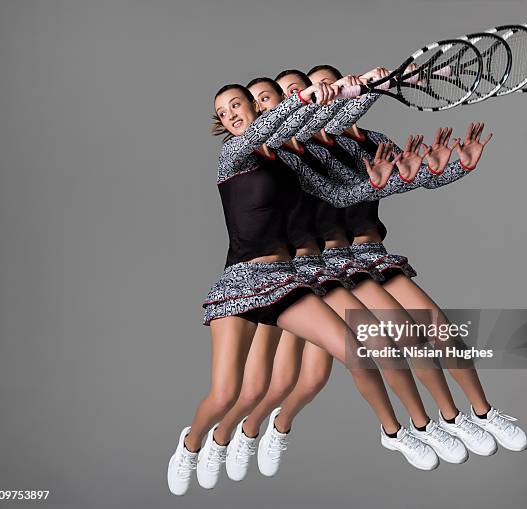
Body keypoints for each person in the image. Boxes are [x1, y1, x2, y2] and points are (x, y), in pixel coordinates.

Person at [167, 79, 444, 496]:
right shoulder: (233, 154)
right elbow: (273, 125)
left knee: (355, 349)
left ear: (255, 108)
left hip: (285, 279)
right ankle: (193, 445)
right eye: (223, 112)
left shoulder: (290, 162)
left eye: (238, 105)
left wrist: (422, 173)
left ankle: (394, 433)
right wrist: (347, 88)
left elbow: (343, 192)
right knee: (229, 393)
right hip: (241, 282)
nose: (232, 115)